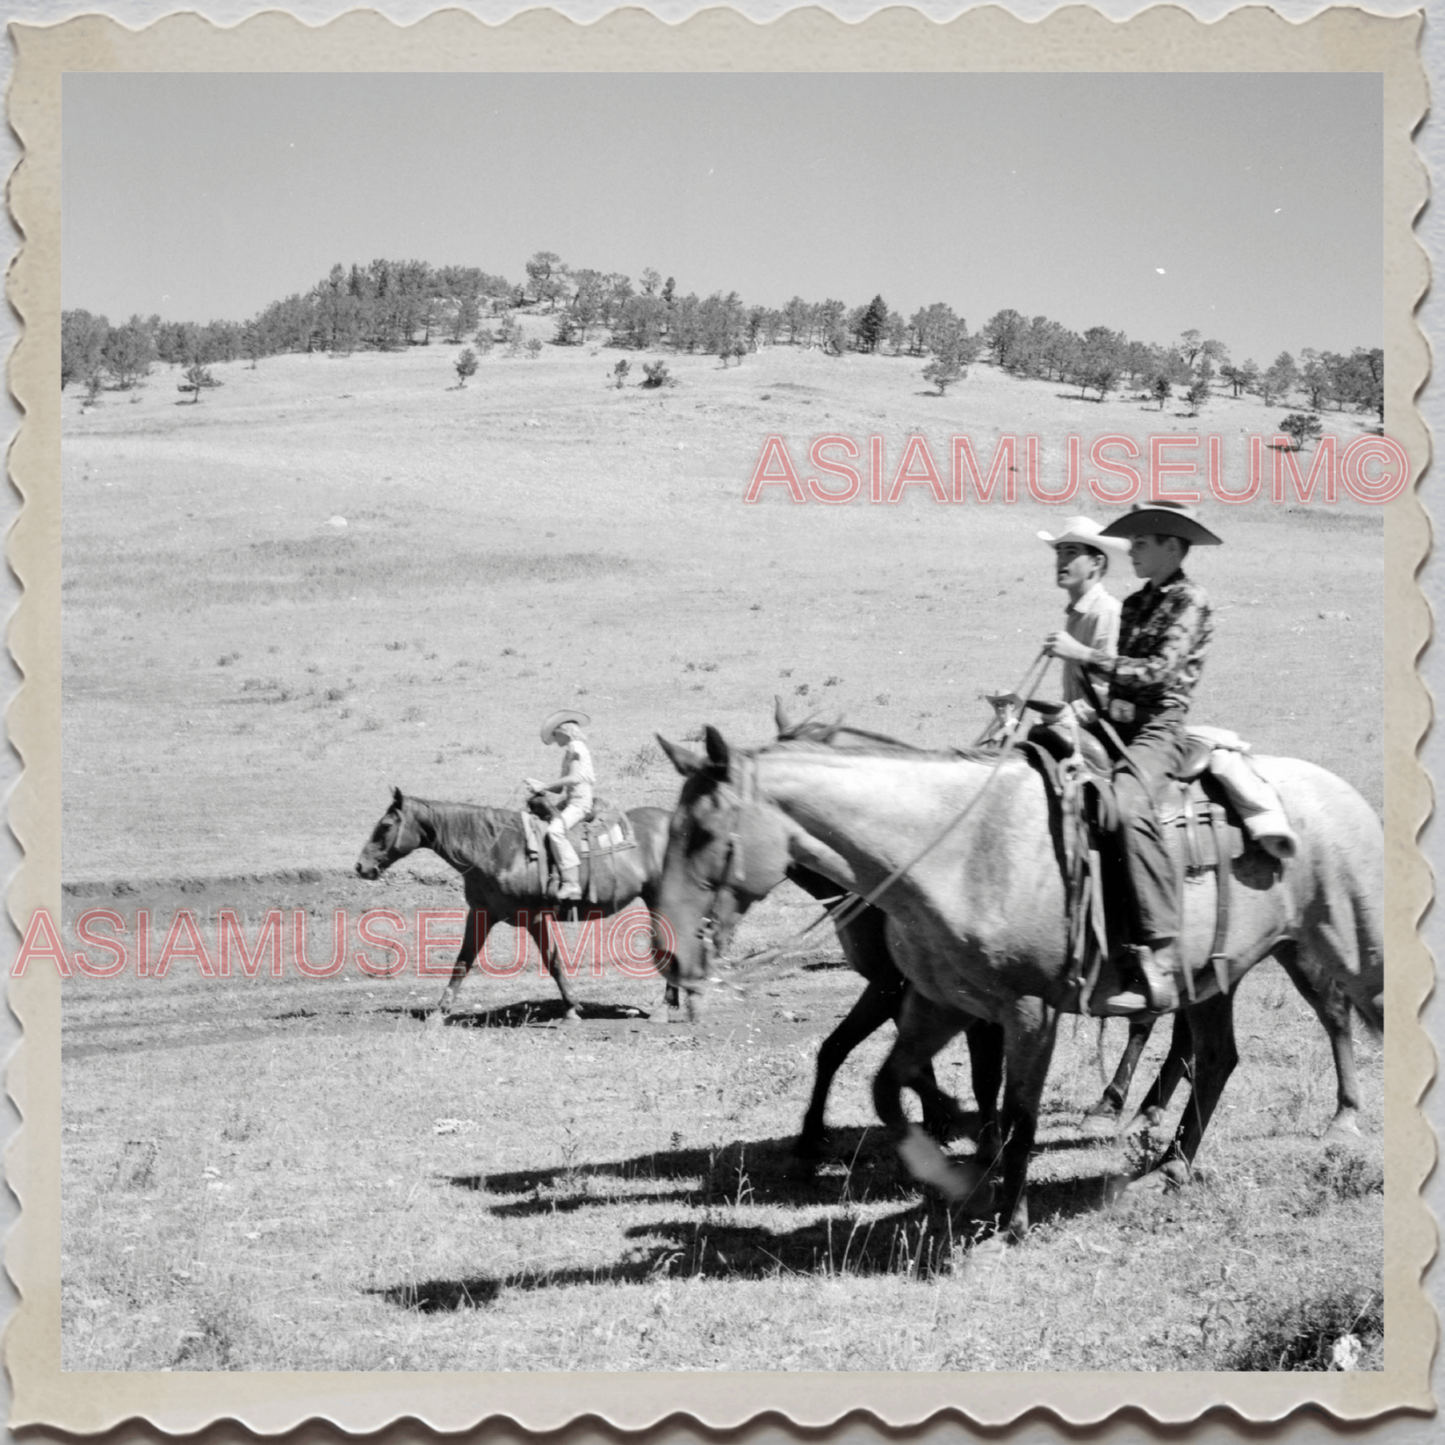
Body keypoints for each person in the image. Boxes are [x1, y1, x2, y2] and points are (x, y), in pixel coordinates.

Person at [1043, 501, 1221, 1013]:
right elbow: (1121, 675)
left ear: (1172, 545)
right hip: (1114, 720)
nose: (1132, 552)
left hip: (1159, 726)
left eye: (1142, 544)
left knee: (1124, 805)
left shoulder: (1191, 601)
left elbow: (1157, 674)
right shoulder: (1137, 601)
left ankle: (1160, 946)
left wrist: (1085, 657)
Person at [1037, 516, 1129, 728]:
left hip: (1101, 729)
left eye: (1071, 552)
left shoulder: (1105, 612)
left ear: (1096, 563)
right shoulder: (1078, 615)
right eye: (1059, 553)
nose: (1061, 561)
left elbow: (1106, 689)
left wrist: (1065, 717)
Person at [524, 710, 596, 901]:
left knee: (555, 831)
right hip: (571, 800)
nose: (555, 740)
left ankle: (572, 883)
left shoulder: (576, 748)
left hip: (580, 803)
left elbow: (573, 778)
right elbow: (561, 788)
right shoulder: (571, 750)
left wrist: (543, 785)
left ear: (564, 731)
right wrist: (538, 784)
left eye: (555, 735)